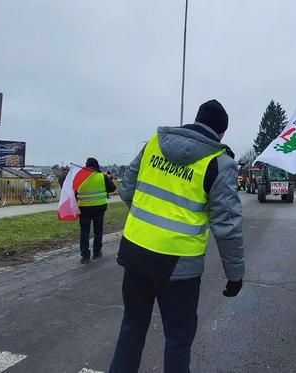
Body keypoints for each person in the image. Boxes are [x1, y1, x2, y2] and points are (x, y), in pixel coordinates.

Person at [110, 99, 245, 373]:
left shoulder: (154, 143)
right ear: (221, 133)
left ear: (196, 120)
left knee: (132, 327)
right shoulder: (219, 163)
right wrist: (235, 274)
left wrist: (148, 220)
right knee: (178, 340)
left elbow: (126, 189)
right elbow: (227, 226)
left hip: (135, 252)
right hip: (178, 267)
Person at [76, 157, 117, 263]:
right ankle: (97, 253)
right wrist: (109, 179)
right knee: (98, 231)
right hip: (99, 209)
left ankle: (85, 256)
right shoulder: (102, 177)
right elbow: (112, 188)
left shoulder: (80, 178)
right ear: (97, 166)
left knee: (84, 233)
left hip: (83, 209)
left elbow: (74, 192)